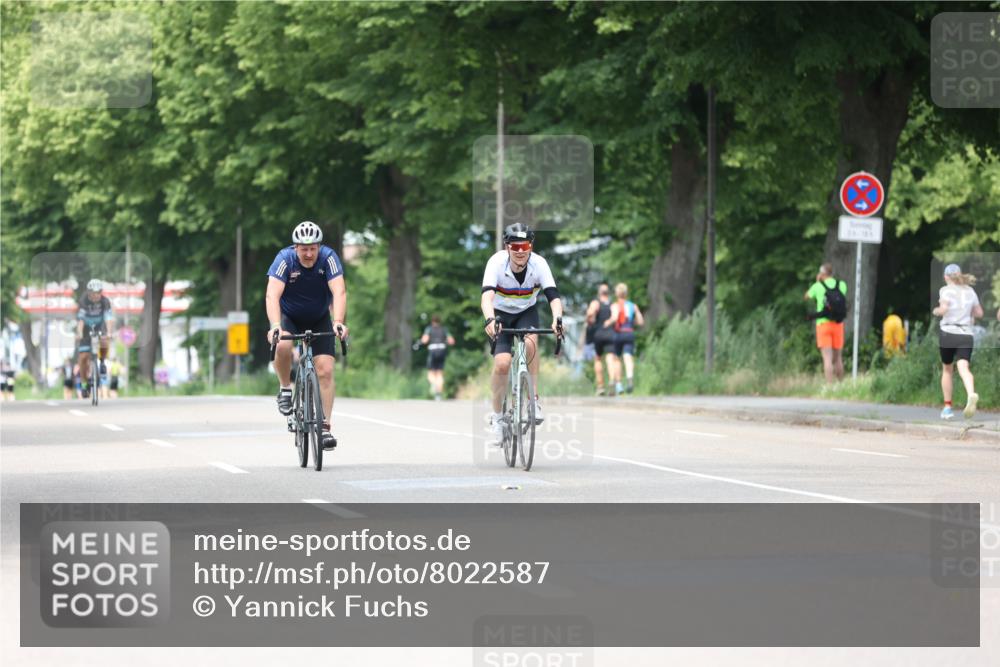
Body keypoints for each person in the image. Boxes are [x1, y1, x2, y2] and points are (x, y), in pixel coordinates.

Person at [266, 221, 348, 450]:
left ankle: (325, 427)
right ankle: (285, 388)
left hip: (319, 317)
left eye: (313, 248)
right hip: (289, 318)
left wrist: (338, 322)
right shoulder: (284, 260)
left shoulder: (329, 258)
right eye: (304, 249)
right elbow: (272, 295)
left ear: (319, 246)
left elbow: (339, 291)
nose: (309, 253)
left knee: (326, 370)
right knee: (282, 344)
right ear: (296, 248)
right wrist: (275, 325)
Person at [481, 223, 563, 444]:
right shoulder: (496, 263)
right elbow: (486, 297)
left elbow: (554, 297)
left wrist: (557, 319)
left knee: (530, 343)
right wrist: (490, 319)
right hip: (500, 314)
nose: (520, 251)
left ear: (531, 247)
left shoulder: (539, 264)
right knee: (502, 364)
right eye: (515, 247)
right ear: (507, 247)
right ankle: (497, 418)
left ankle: (533, 400)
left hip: (526, 311)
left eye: (524, 246)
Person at [933, 263, 982, 420]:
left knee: (947, 369)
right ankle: (971, 393)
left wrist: (937, 311)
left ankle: (947, 408)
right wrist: (968, 313)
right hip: (966, 334)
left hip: (948, 333)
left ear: (946, 277)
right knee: (963, 367)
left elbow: (944, 309)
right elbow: (979, 313)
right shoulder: (970, 292)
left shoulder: (945, 290)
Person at [804, 263, 847, 383]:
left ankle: (830, 387)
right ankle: (841, 385)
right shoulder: (842, 284)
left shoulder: (818, 286)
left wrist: (817, 282)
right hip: (838, 324)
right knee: (838, 358)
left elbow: (806, 296)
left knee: (827, 358)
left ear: (822, 274)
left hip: (823, 324)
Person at [76, 279, 114, 399]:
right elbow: (81, 320)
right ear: (89, 292)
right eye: (93, 292)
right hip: (86, 327)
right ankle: (84, 384)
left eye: (98, 292)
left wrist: (109, 332)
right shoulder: (83, 300)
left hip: (100, 325)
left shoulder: (105, 301)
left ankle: (102, 361)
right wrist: (79, 333)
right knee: (83, 357)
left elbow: (108, 318)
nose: (96, 295)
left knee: (104, 339)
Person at [605, 283, 645, 395]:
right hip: (629, 333)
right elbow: (641, 322)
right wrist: (633, 322)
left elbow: (614, 318)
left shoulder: (615, 305)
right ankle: (630, 378)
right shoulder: (633, 306)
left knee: (616, 359)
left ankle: (618, 384)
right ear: (626, 293)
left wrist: (607, 323)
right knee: (628, 357)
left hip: (618, 334)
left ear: (617, 293)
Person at [585, 283, 614, 396]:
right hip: (611, 333)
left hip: (599, 334)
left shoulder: (596, 303)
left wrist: (589, 320)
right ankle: (612, 381)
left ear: (599, 293)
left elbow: (590, 314)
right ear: (608, 293)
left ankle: (600, 386)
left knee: (598, 359)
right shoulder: (612, 304)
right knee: (610, 358)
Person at [419, 314, 455, 400]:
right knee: (440, 374)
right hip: (442, 351)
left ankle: (434, 384)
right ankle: (438, 395)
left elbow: (424, 340)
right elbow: (452, 341)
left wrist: (421, 341)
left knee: (430, 373)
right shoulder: (444, 329)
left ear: (432, 321)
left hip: (433, 351)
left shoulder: (429, 329)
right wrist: (444, 341)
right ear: (439, 321)